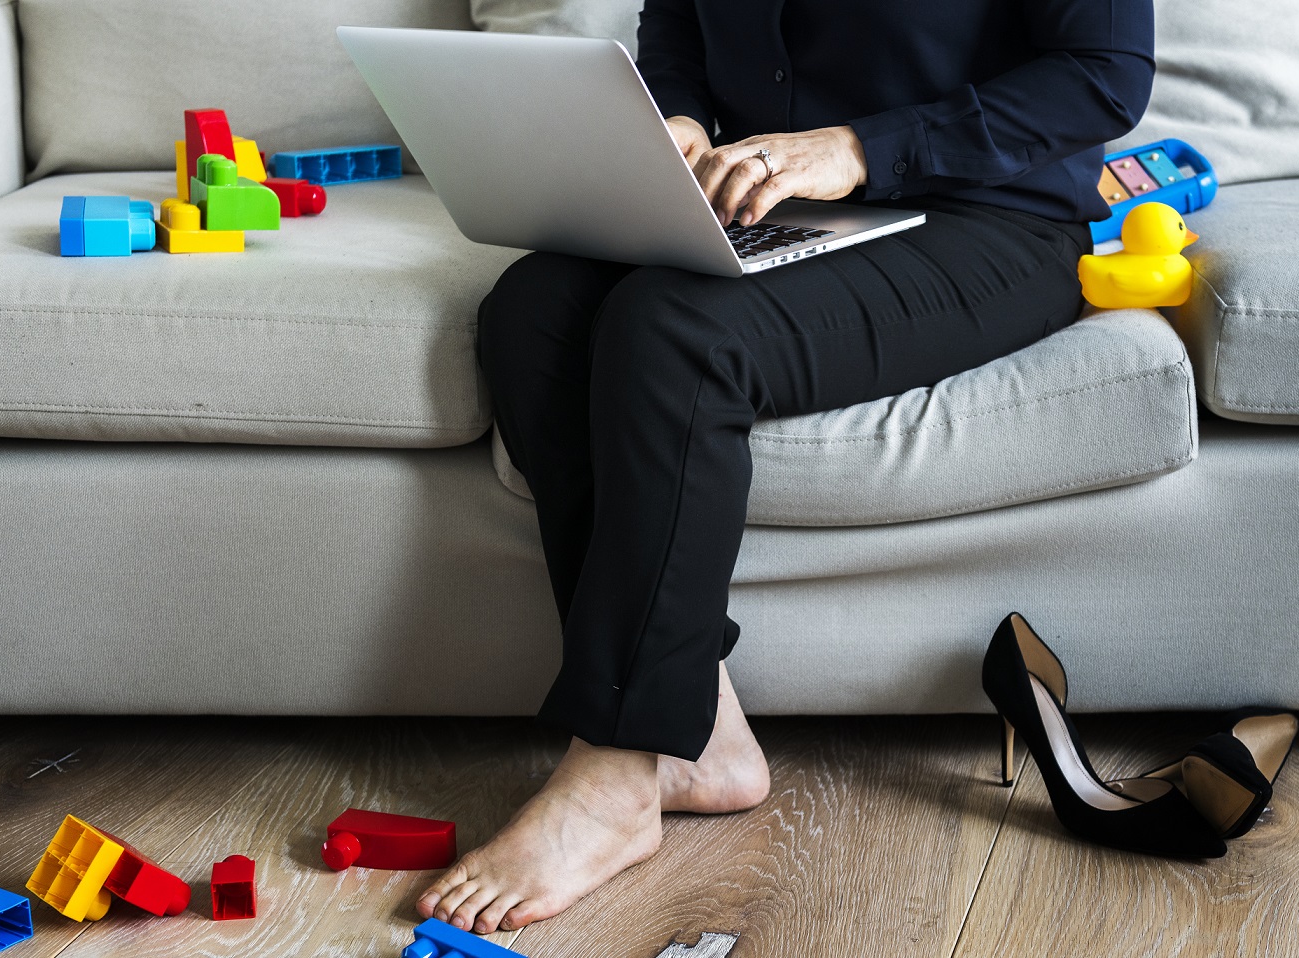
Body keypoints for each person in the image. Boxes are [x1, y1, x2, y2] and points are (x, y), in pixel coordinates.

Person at [416, 0, 1154, 934]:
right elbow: (680, 24)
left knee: (675, 333)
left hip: (989, 220)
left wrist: (856, 147)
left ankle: (616, 764)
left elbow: (1105, 75)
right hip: (773, 204)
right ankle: (703, 735)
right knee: (533, 315)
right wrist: (674, 121)